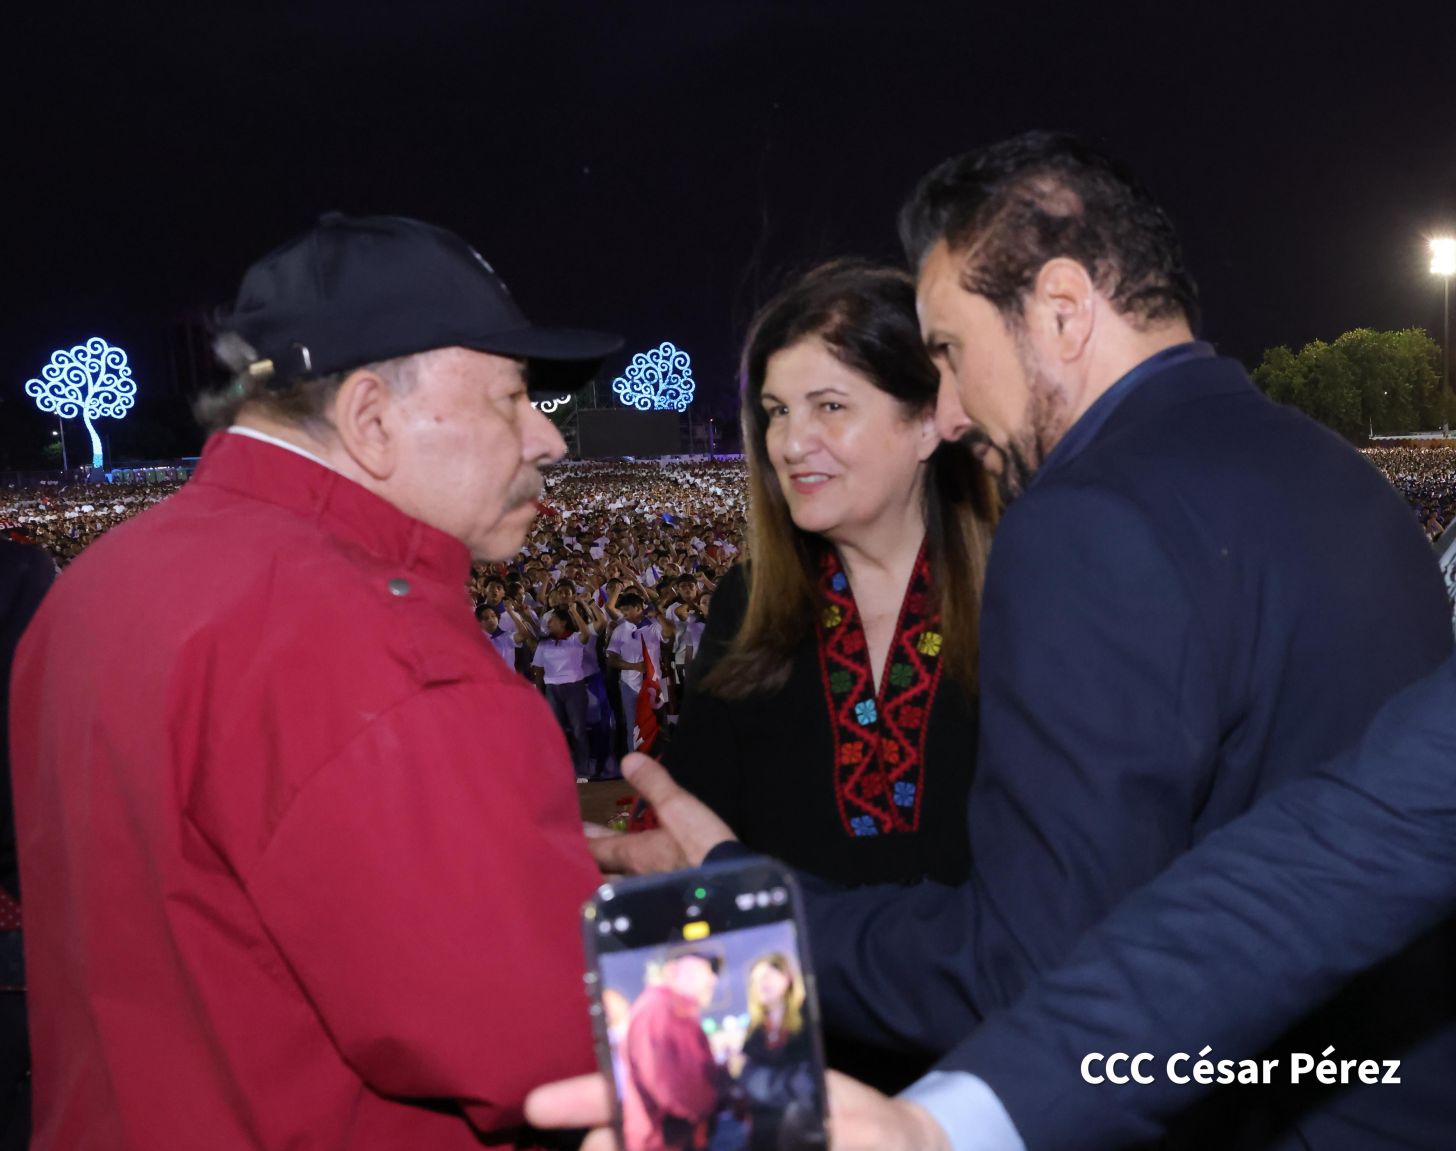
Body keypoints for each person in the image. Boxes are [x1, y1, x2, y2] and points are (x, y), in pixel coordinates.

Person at [564, 133, 1456, 1149]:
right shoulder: (1339, 476)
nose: (949, 406)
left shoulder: (1084, 523)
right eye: (773, 410)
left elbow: (1026, 960)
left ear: (1065, 310)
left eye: (945, 351)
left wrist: (747, 900)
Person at [10, 212, 621, 1148]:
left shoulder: (97, 582)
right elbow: (545, 1042)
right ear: (372, 417)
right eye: (512, 396)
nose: (547, 438)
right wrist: (721, 941)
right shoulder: (376, 644)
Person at [669, 260, 996, 894]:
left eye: (830, 405)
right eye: (777, 411)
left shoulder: (1026, 596)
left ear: (928, 421)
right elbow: (699, 836)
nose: (790, 443)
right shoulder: (747, 603)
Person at [621, 950, 729, 1151]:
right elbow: (674, 1090)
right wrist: (719, 1094)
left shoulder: (669, 1010)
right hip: (666, 1141)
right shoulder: (659, 1010)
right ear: (671, 971)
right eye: (702, 970)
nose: (712, 979)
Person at [737, 952, 816, 1151]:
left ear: (787, 978)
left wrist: (753, 1078)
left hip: (799, 1128)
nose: (761, 984)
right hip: (762, 1132)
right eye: (755, 980)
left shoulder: (807, 1021)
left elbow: (807, 1080)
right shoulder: (755, 1031)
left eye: (767, 976)